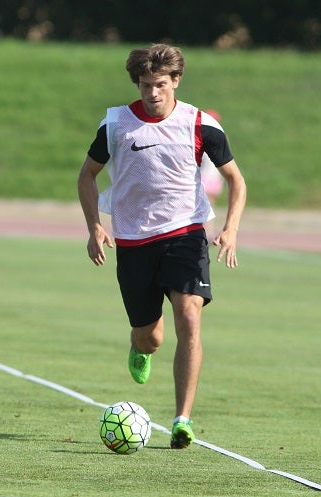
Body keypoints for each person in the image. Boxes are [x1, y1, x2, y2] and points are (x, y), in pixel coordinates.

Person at [77, 44, 246, 449]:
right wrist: (95, 227)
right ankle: (140, 347)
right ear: (137, 83)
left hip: (185, 235)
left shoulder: (201, 124)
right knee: (149, 338)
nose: (153, 92)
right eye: (146, 84)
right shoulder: (116, 125)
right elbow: (87, 177)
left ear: (176, 82)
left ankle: (182, 420)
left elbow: (236, 181)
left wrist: (230, 229)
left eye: (161, 85)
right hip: (133, 242)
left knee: (189, 316)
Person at [200, 108, 226, 241]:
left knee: (205, 206)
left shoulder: (206, 138)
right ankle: (208, 231)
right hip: (214, 178)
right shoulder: (221, 137)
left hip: (205, 177)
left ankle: (207, 231)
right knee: (209, 206)